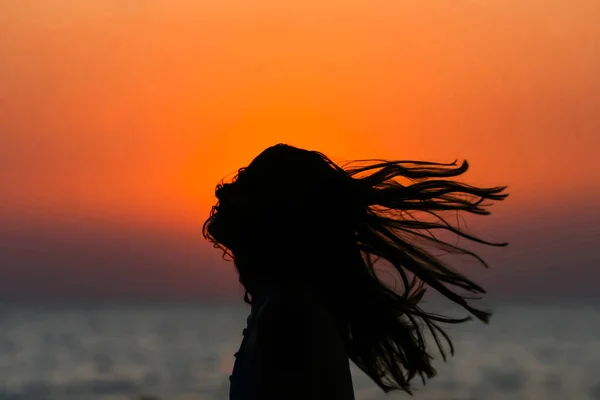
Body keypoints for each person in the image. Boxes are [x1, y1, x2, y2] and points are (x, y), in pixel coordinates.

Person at [203, 144, 508, 400]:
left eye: (247, 188)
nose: (226, 195)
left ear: (275, 224)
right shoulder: (282, 305)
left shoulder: (289, 312)